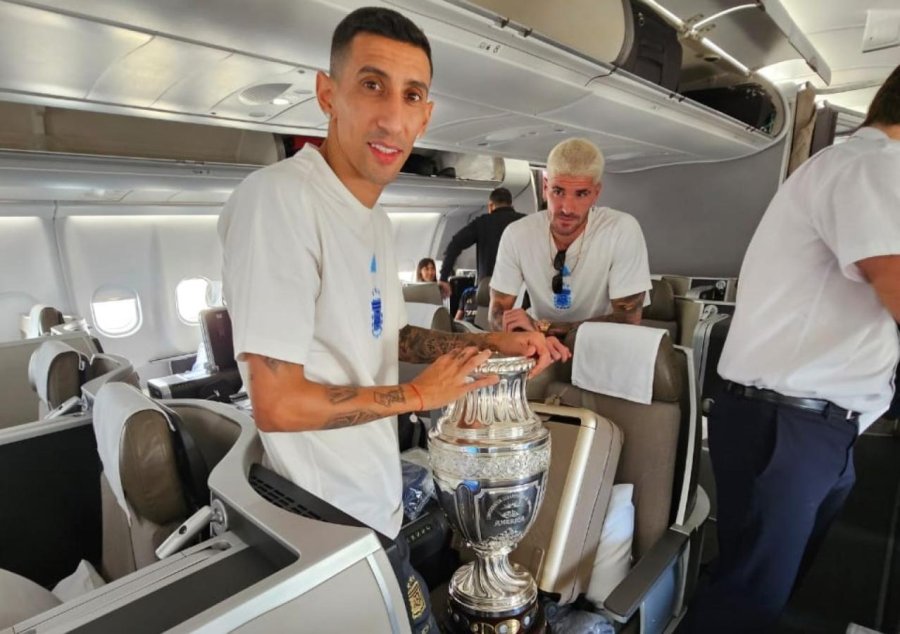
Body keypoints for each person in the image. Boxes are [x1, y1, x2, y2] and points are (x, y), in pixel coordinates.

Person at [217, 8, 569, 633]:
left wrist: (484, 341)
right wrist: (415, 396)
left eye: (411, 96)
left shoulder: (374, 219)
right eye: (371, 85)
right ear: (328, 94)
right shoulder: (280, 201)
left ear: (426, 115)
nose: (391, 117)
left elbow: (389, 334)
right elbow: (275, 402)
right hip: (324, 515)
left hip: (370, 503)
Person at [683, 65, 900, 633]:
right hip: (789, 424)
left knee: (757, 592)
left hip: (816, 425)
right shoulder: (870, 167)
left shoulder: (861, 168)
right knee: (747, 602)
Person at [489, 138, 651, 336]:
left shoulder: (621, 230)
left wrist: (543, 328)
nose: (567, 208)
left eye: (581, 194)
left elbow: (628, 319)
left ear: (596, 193)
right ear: (545, 187)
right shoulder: (517, 234)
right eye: (558, 191)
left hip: (602, 347)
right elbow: (497, 312)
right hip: (540, 349)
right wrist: (521, 331)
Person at [437, 187, 524, 292]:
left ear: (491, 206)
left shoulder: (482, 223)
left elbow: (455, 244)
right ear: (511, 204)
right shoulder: (525, 222)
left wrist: (443, 277)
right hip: (519, 288)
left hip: (489, 289)